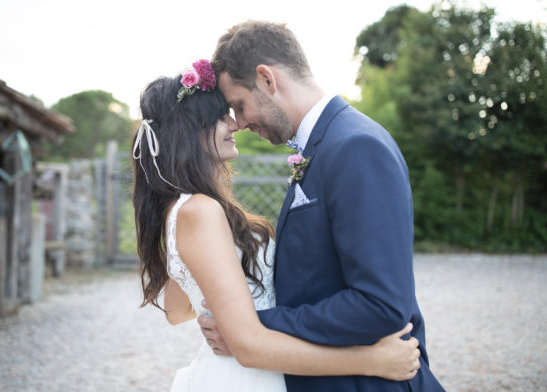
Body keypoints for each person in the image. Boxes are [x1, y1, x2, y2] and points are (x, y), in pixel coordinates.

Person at [132, 61, 421, 392]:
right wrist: (372, 361)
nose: (234, 122)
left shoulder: (183, 209)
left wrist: (226, 316)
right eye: (221, 115)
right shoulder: (202, 211)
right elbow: (249, 347)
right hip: (245, 377)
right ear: (190, 132)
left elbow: (178, 308)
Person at [197, 21, 446, 391]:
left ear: (267, 80)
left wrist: (252, 326)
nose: (241, 123)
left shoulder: (356, 148)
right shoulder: (322, 145)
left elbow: (380, 305)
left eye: (239, 105)